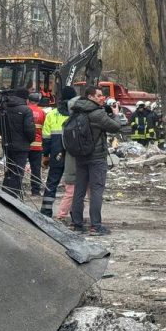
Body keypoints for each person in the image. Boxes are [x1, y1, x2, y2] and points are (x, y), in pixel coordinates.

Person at [67, 86, 122, 235]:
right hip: (96, 157)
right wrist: (116, 114)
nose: (102, 98)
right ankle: (95, 226)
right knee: (97, 190)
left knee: (79, 190)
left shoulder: (75, 110)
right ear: (90, 97)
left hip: (80, 156)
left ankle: (76, 224)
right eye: (98, 96)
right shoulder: (97, 113)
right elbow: (116, 127)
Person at [40, 85, 76, 217]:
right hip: (74, 155)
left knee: (52, 182)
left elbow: (46, 138)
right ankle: (74, 213)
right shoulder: (77, 114)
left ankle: (46, 210)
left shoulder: (52, 114)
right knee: (74, 184)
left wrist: (45, 155)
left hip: (56, 153)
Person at [0, 88, 35, 199]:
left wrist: (5, 136)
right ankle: (13, 197)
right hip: (21, 147)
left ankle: (4, 194)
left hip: (7, 145)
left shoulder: (4, 108)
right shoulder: (26, 110)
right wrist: (29, 140)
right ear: (26, 99)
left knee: (9, 170)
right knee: (18, 172)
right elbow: (29, 130)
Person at [26, 92, 46, 196]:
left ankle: (17, 188)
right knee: (36, 169)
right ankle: (35, 191)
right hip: (37, 145)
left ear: (28, 101)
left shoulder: (25, 110)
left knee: (19, 167)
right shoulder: (42, 112)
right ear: (38, 101)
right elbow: (44, 128)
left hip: (25, 144)